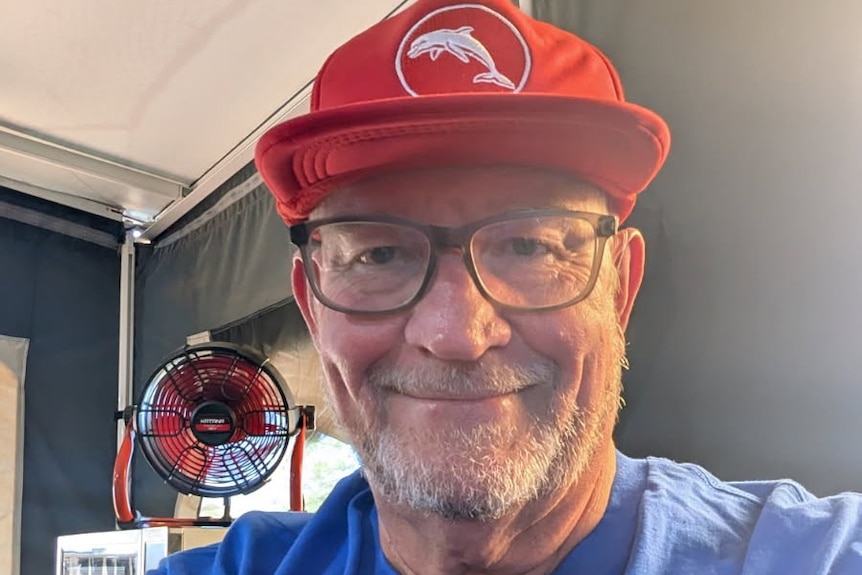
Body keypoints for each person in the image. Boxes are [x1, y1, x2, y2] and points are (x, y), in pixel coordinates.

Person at [152, 0, 862, 573]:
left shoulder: (807, 554)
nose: (456, 332)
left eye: (530, 245)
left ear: (618, 290)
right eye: (377, 254)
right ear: (311, 302)